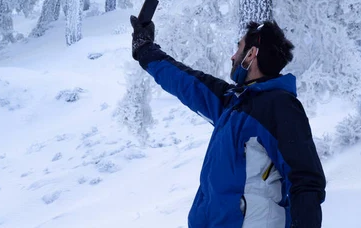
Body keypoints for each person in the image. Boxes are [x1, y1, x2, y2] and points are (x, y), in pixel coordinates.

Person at [130, 16, 326, 228]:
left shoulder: (279, 106)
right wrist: (145, 50)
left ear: (251, 54)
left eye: (239, 48)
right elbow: (186, 82)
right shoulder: (234, 103)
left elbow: (306, 180)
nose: (233, 57)